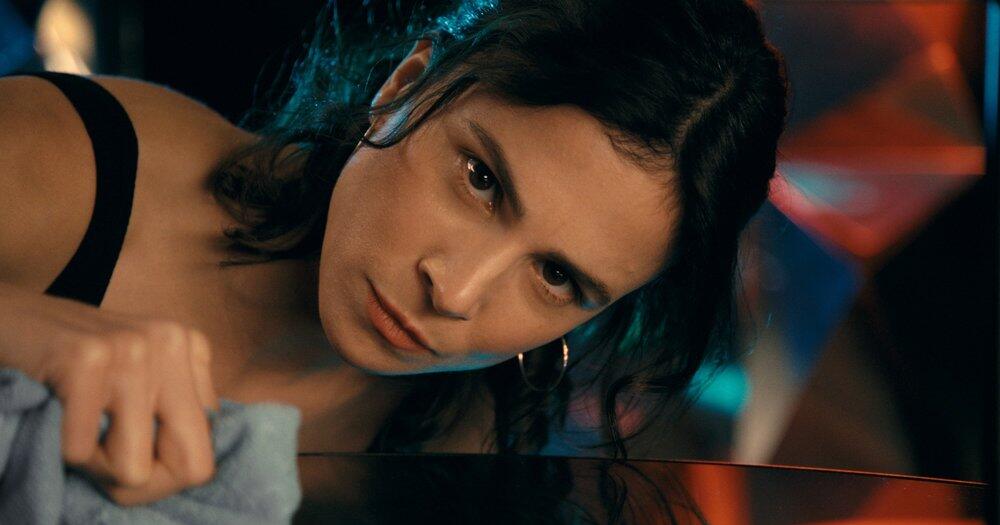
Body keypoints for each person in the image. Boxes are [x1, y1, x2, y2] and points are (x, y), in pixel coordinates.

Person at [0, 0, 788, 507]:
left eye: (556, 277)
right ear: (404, 85)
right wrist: (23, 328)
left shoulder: (461, 461)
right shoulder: (77, 166)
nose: (456, 292)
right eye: (481, 180)